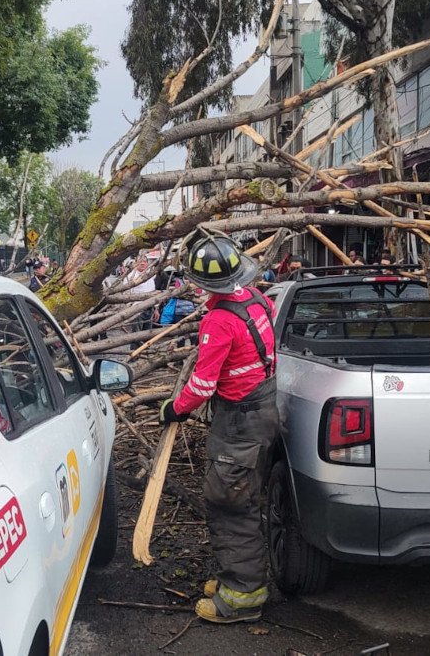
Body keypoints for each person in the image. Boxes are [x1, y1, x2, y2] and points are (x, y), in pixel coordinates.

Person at [159, 230, 280, 625]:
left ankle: (243, 596)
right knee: (245, 497)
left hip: (239, 423)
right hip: (262, 412)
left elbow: (202, 385)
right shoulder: (260, 301)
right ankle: (238, 579)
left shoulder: (218, 321)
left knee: (229, 503)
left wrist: (175, 409)